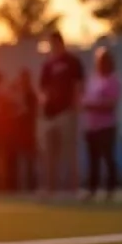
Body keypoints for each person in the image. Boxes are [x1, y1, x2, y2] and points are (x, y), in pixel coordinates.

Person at [38, 31, 85, 196]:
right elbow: (42, 89)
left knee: (69, 151)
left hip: (67, 112)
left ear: (60, 43)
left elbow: (78, 84)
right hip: (50, 114)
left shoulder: (72, 62)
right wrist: (44, 106)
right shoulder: (47, 65)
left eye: (54, 43)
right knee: (50, 152)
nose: (52, 47)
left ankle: (73, 188)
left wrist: (75, 105)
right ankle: (50, 187)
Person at [81, 47, 121, 200]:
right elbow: (85, 98)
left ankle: (111, 188)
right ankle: (92, 189)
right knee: (93, 159)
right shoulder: (93, 80)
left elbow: (111, 104)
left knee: (108, 157)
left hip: (106, 126)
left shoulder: (113, 81)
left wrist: (94, 105)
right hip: (91, 126)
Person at [8, 69, 38, 192]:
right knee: (17, 160)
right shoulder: (16, 94)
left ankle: (30, 186)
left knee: (29, 160)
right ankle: (16, 186)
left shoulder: (31, 95)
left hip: (28, 131)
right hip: (17, 132)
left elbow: (29, 112)